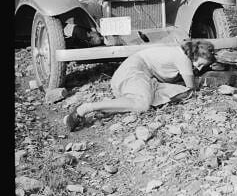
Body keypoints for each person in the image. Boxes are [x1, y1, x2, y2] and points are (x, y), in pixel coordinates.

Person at [63, 40, 216, 132]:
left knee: (172, 93)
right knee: (143, 104)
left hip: (136, 76)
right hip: (133, 72)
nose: (200, 68)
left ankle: (107, 109)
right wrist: (205, 80)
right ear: (197, 55)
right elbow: (192, 86)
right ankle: (85, 108)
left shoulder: (180, 53)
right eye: (201, 64)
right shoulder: (184, 59)